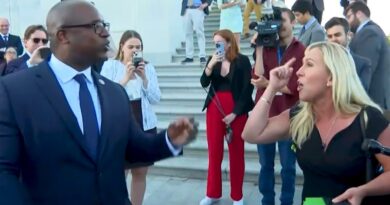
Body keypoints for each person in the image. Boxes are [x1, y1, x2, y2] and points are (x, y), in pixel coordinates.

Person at [0, 1, 198, 205]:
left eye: (105, 26)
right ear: (63, 35)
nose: (105, 34)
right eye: (96, 27)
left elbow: (134, 147)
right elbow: (4, 172)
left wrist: (169, 140)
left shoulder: (114, 93)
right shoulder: (14, 90)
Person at [242, 42, 390, 205]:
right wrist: (271, 87)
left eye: (309, 64)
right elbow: (251, 134)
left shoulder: (369, 118)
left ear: (332, 78)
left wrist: (364, 190)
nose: (299, 71)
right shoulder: (300, 115)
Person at [100, 30, 161, 205]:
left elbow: (155, 98)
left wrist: (144, 79)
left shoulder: (148, 68)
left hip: (144, 124)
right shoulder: (110, 66)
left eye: (138, 47)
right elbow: (105, 97)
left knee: (140, 172)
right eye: (131, 47)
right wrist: (125, 78)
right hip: (120, 125)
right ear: (122, 47)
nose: (135, 50)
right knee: (121, 171)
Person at [252, 7, 305, 205]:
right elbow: (257, 77)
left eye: (283, 20)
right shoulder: (267, 46)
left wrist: (269, 85)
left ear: (293, 22)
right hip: (265, 116)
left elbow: (297, 88)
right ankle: (267, 201)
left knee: (288, 167)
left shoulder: (302, 49)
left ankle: (286, 201)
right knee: (265, 165)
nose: (280, 25)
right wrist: (259, 47)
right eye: (277, 21)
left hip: (288, 117)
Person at [199, 29, 254, 205]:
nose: (217, 46)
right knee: (214, 153)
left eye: (220, 42)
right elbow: (203, 83)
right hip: (215, 109)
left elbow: (248, 89)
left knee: (237, 154)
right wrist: (210, 65)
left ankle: (237, 196)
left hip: (236, 111)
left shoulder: (243, 61)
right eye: (215, 42)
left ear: (229, 43)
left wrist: (235, 113)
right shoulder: (213, 59)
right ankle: (212, 193)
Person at [345, 1, 390, 109]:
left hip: (371, 102)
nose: (348, 22)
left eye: (349, 17)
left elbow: (363, 71)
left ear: (359, 14)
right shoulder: (372, 30)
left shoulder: (368, 33)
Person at [324, 17, 371, 92]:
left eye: (337, 35)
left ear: (349, 36)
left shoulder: (362, 64)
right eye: (330, 36)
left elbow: (362, 92)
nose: (333, 39)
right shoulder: (322, 61)